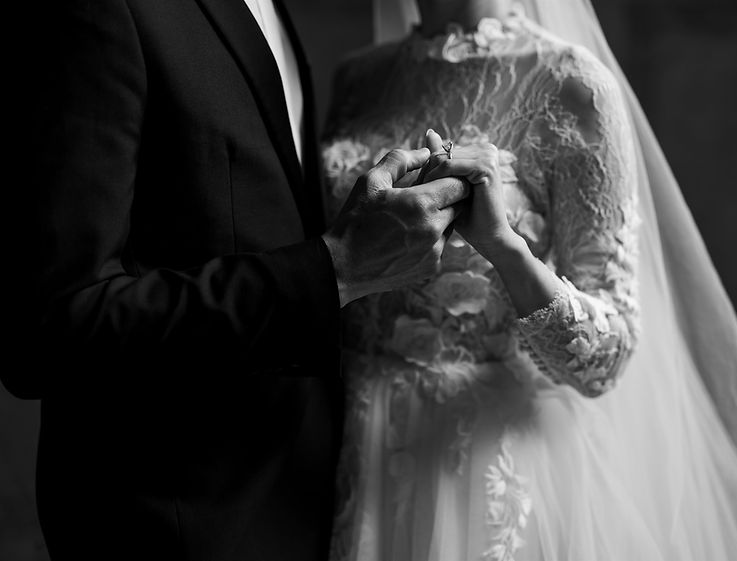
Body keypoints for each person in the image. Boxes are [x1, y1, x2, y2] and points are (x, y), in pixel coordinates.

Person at [320, 0, 737, 560]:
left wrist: (504, 248)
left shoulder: (571, 85)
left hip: (476, 465)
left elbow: (609, 352)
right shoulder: (357, 77)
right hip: (337, 445)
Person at [4, 1, 479, 560]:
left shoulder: (277, 15)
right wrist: (336, 270)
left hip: (316, 505)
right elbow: (50, 327)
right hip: (177, 527)